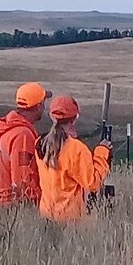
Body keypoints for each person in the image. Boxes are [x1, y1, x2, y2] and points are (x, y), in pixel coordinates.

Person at [33, 96, 112, 224]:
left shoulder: (40, 143)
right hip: (69, 220)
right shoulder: (76, 149)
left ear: (52, 117)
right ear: (75, 118)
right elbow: (93, 184)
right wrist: (102, 152)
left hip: (46, 215)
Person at [0, 82, 50, 207]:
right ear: (39, 106)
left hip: (0, 200)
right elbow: (22, 180)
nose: (45, 108)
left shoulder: (8, 127)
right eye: (44, 104)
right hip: (12, 205)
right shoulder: (23, 135)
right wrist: (38, 202)